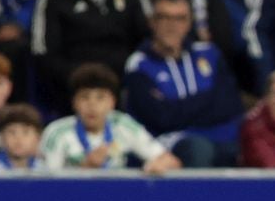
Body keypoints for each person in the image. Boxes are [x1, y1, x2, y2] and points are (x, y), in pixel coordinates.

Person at [120, 0, 242, 166]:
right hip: (166, 144)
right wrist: (207, 99)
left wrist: (179, 108)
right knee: (198, 149)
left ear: (189, 22)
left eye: (180, 18)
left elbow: (230, 104)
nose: (172, 26)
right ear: (152, 21)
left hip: (219, 136)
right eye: (164, 18)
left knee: (243, 147)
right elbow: (162, 118)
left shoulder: (209, 54)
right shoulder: (139, 65)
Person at [41, 63, 177, 172]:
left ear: (112, 102)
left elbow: (170, 160)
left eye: (100, 98)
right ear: (74, 103)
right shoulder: (56, 132)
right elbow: (46, 185)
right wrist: (85, 169)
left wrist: (157, 166)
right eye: (84, 97)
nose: (92, 105)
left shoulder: (123, 124)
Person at [0, 104, 48, 171]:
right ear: (1, 137)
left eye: (25, 132)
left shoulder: (43, 169)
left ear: (38, 138)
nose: (18, 138)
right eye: (11, 132)